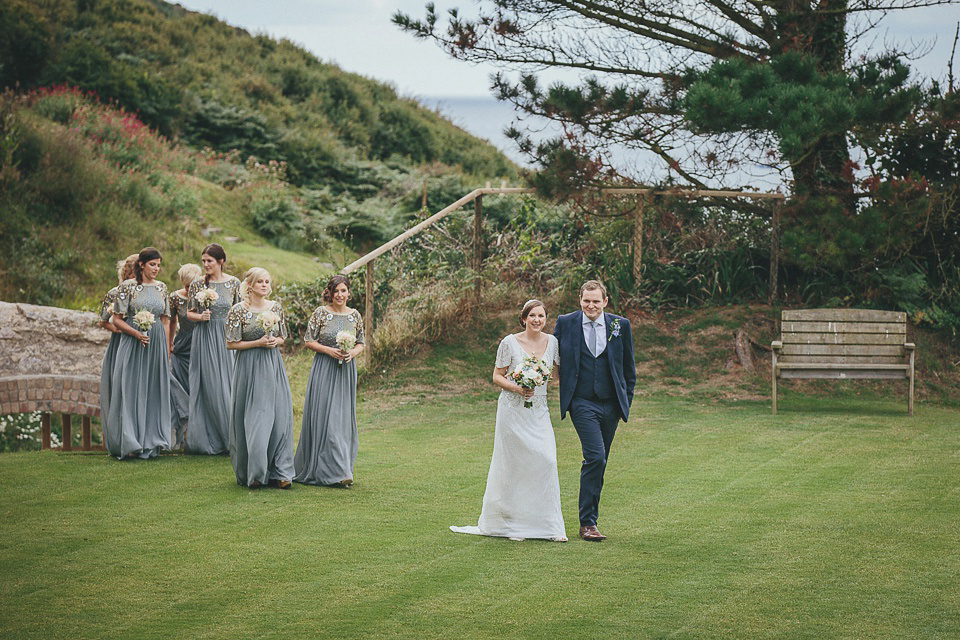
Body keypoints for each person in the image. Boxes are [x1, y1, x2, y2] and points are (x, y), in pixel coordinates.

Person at [451, 299, 567, 542]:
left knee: (547, 460)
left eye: (541, 316)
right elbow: (496, 376)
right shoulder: (509, 342)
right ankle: (509, 522)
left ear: (546, 320)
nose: (537, 320)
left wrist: (538, 378)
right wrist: (517, 387)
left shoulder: (553, 342)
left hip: (538, 410)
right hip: (512, 411)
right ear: (523, 318)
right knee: (512, 465)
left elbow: (555, 374)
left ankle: (548, 526)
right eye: (532, 316)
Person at [555, 280, 636, 541]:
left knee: (599, 463)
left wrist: (625, 400)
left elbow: (628, 369)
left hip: (611, 404)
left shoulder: (619, 325)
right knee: (596, 457)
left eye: (596, 301)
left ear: (605, 302)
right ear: (580, 300)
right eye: (586, 300)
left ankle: (590, 519)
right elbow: (549, 355)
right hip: (581, 402)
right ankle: (587, 523)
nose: (591, 305)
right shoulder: (566, 323)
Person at [225, 268, 295, 489]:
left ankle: (281, 472)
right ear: (250, 285)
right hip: (248, 369)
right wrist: (258, 343)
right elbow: (230, 343)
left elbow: (283, 336)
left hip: (273, 367)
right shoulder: (238, 311)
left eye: (267, 281)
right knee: (255, 419)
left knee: (279, 418)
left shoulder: (275, 308)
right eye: (260, 282)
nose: (265, 285)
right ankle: (255, 472)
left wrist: (275, 342)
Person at [294, 275, 365, 487]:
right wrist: (328, 350)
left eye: (344, 291)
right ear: (330, 293)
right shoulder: (320, 313)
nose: (340, 295)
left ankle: (342, 469)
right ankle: (335, 471)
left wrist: (352, 353)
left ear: (349, 293)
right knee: (326, 417)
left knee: (341, 419)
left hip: (346, 371)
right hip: (324, 368)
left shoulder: (355, 315)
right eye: (336, 291)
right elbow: (309, 341)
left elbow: (362, 342)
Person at [105, 247, 173, 459]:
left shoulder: (162, 288)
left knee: (153, 389)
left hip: (156, 344)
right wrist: (136, 333)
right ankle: (129, 440)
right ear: (141, 265)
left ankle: (151, 441)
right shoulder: (128, 287)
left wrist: (165, 348)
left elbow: (165, 319)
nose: (156, 269)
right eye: (152, 264)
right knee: (131, 387)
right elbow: (116, 319)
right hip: (132, 342)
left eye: (159, 265)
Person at [184, 244, 240, 455]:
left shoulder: (234, 282)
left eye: (209, 261)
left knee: (228, 383)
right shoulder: (198, 284)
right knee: (208, 384)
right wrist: (200, 316)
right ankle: (208, 438)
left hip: (226, 337)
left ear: (220, 262)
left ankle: (231, 437)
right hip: (205, 336)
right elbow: (189, 312)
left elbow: (238, 310)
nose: (206, 265)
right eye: (203, 261)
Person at [98, 253, 138, 454]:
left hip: (141, 341)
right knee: (120, 387)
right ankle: (121, 436)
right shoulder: (115, 292)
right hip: (120, 343)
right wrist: (119, 330)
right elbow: (104, 320)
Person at [166, 263, 201, 450]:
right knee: (181, 388)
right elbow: (171, 321)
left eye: (193, 285)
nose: (190, 290)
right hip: (182, 345)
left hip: (201, 344)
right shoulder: (175, 298)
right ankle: (179, 436)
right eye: (187, 286)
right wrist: (170, 343)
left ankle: (196, 436)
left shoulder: (204, 296)